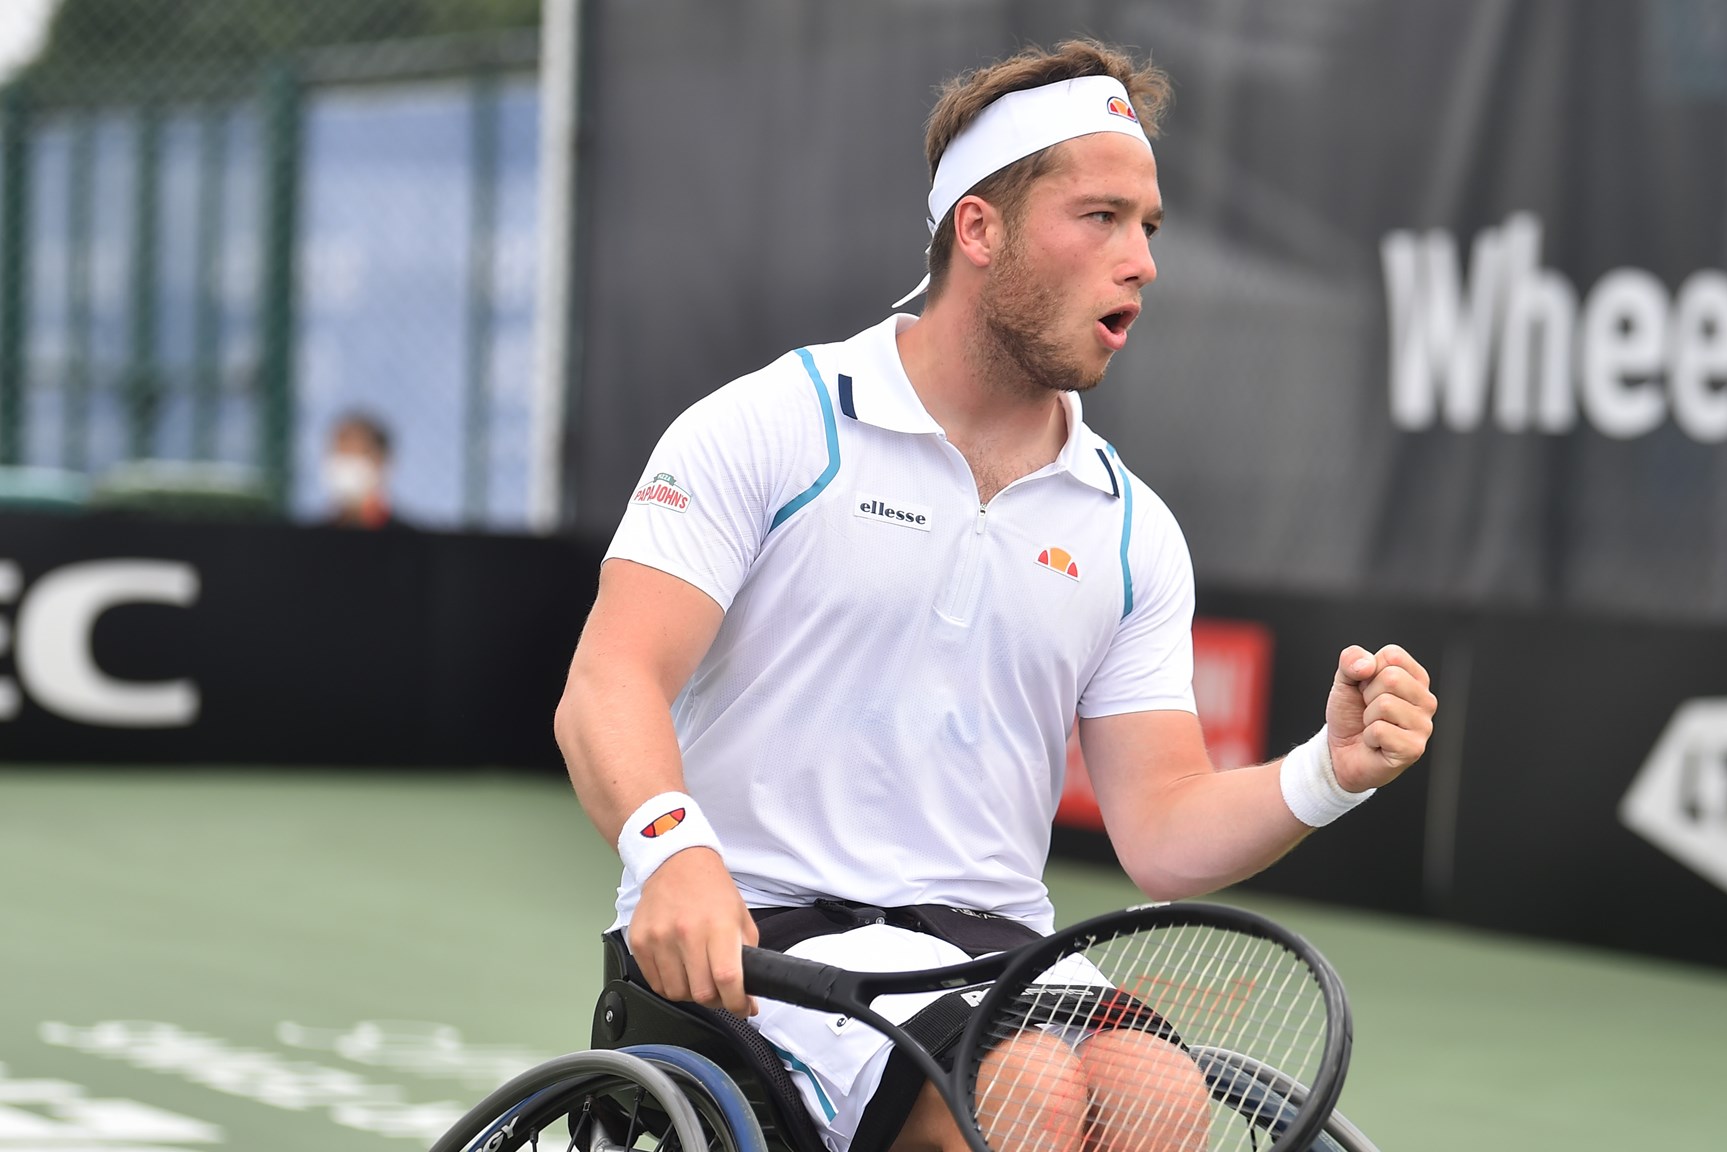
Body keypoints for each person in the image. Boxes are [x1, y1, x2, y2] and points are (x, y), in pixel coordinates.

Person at [555, 38, 1437, 1152]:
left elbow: (1161, 830)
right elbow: (608, 681)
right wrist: (670, 847)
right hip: (755, 947)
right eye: (1100, 217)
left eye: (1148, 227)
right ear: (979, 230)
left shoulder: (1129, 529)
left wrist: (1329, 770)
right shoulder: (771, 426)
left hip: (995, 958)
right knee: (1026, 1097)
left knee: (1156, 1097)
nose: (1142, 262)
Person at [322, 412, 399, 529]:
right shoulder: (303, 542)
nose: (345, 465)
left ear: (381, 460)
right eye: (341, 454)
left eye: (354, 454)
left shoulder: (412, 543)